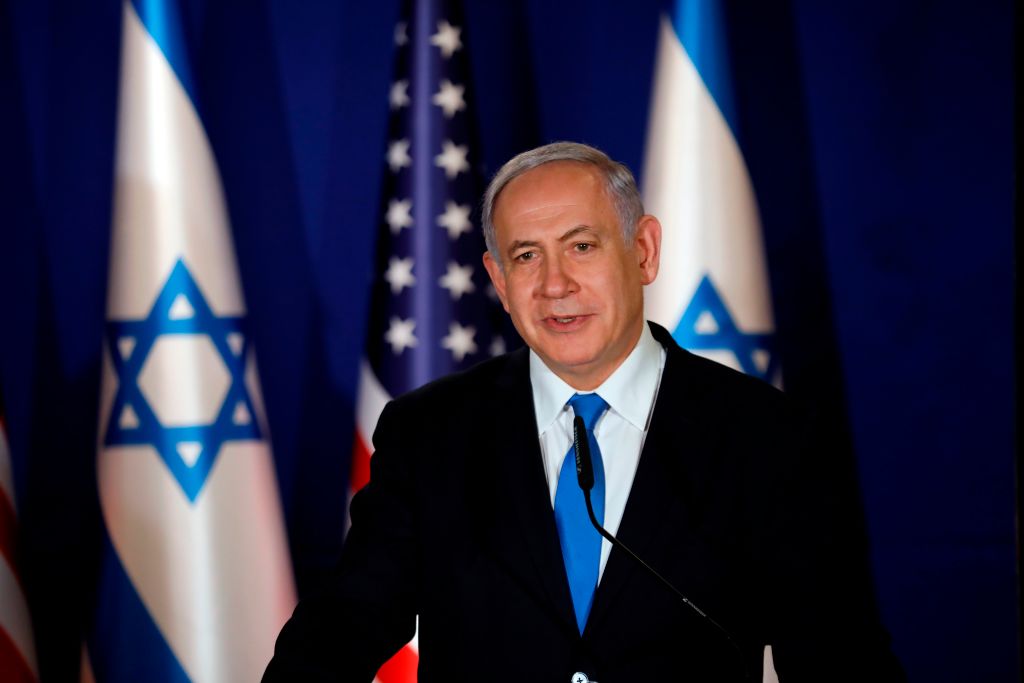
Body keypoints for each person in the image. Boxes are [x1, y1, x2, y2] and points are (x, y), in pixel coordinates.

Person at [263, 142, 903, 682]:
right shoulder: (429, 433)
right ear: (498, 281)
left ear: (644, 251)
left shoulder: (768, 438)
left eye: (582, 246)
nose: (555, 285)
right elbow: (340, 629)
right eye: (526, 256)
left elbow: (841, 661)